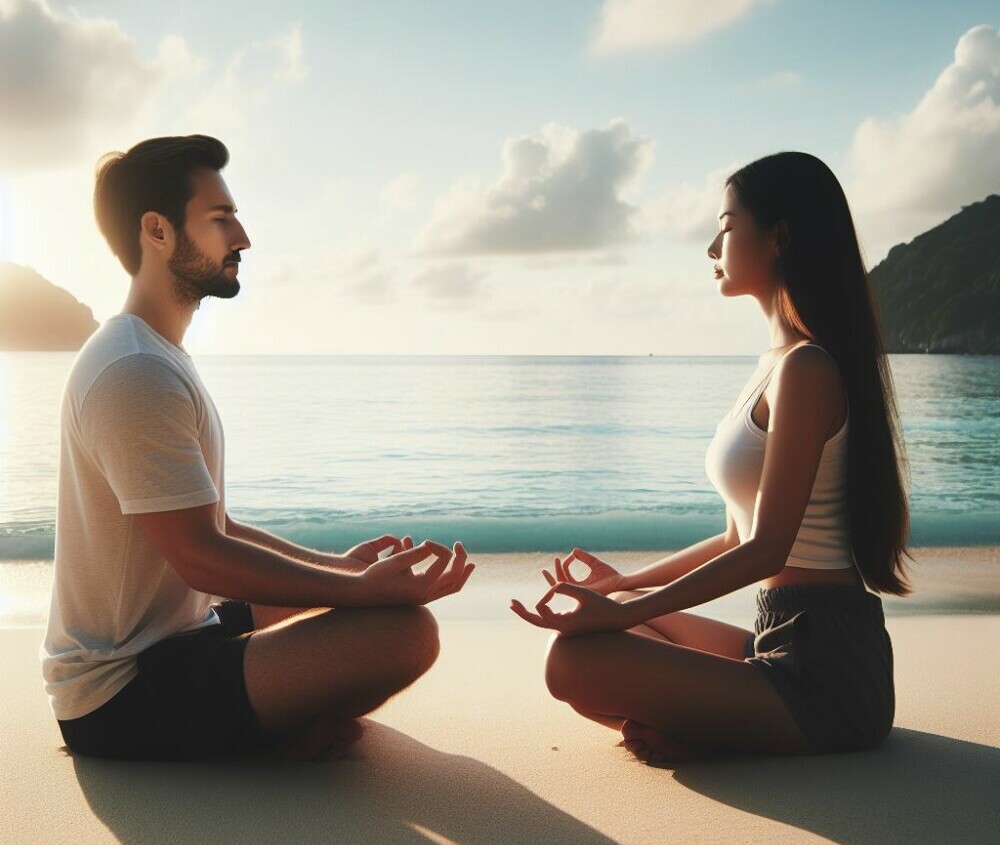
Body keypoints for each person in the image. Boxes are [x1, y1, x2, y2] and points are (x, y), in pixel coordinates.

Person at [39, 135, 475, 763]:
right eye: (220, 219)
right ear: (157, 231)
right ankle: (262, 733)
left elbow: (216, 527)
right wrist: (364, 593)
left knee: (362, 610)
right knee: (403, 634)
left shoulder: (155, 355)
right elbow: (201, 558)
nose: (242, 237)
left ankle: (268, 720)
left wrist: (344, 569)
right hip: (121, 690)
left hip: (183, 633)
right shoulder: (133, 371)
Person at [510, 151, 911, 766]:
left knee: (574, 658)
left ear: (778, 238)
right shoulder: (775, 366)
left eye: (725, 225)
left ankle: (709, 734)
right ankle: (707, 729)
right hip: (779, 641)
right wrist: (624, 585)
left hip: (828, 671)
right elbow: (734, 536)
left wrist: (636, 607)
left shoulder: (807, 369)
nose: (711, 246)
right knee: (607, 623)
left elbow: (768, 550)